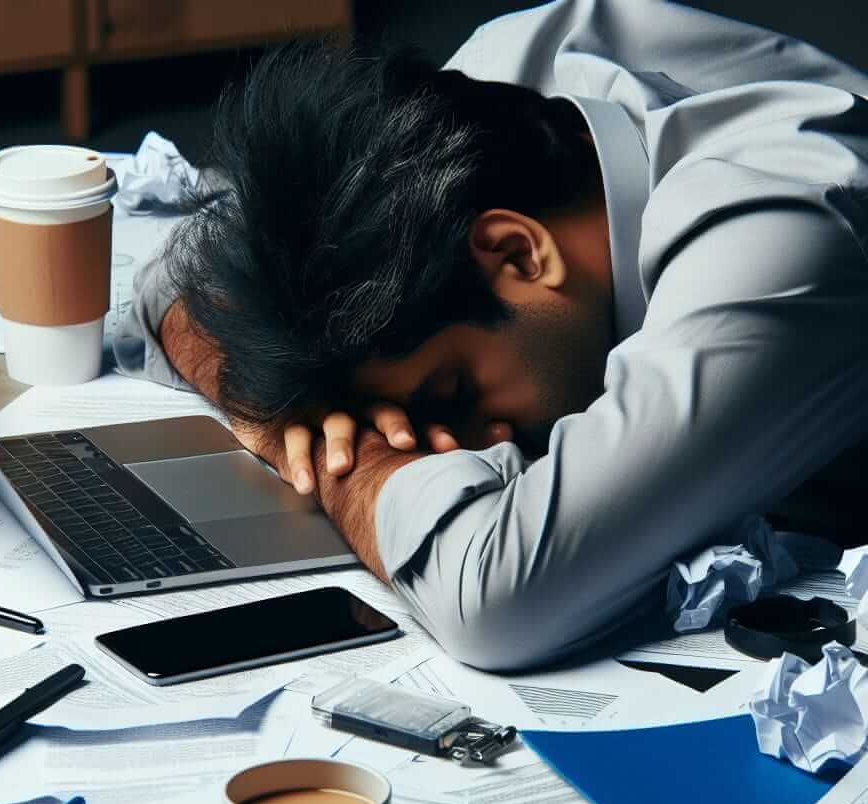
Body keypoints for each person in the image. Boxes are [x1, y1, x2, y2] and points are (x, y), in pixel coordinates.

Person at [125, 0, 868, 671]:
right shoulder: (504, 71)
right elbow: (172, 274)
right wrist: (292, 405)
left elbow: (501, 602)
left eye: (454, 393)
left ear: (516, 252)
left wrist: (351, 461)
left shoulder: (780, 244)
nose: (458, 442)